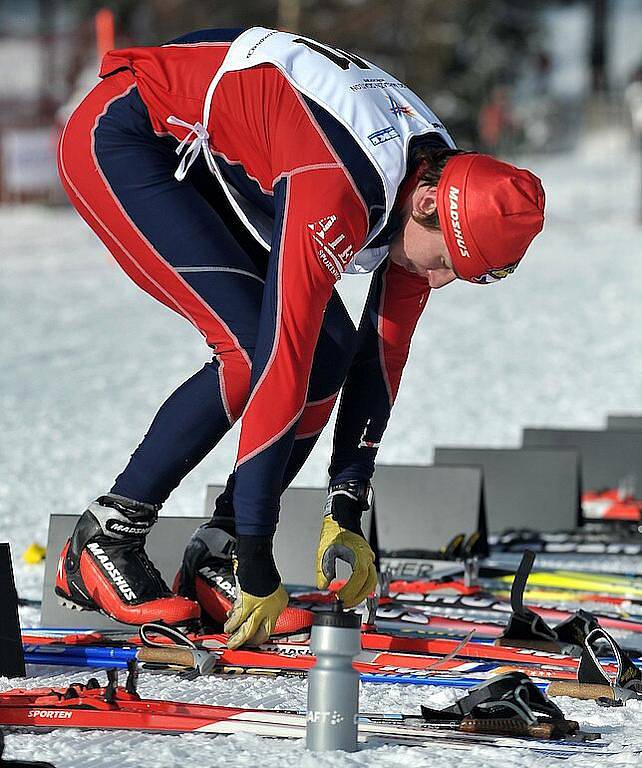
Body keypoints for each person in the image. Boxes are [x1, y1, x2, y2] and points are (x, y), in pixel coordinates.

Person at [55, 26, 545, 648]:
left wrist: (347, 505)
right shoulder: (340, 184)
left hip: (219, 152)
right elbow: (282, 356)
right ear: (425, 203)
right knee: (251, 352)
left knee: (332, 349)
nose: (440, 281)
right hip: (127, 139)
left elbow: (380, 355)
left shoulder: (438, 177)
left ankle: (218, 551)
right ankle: (106, 536)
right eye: (447, 261)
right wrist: (262, 556)